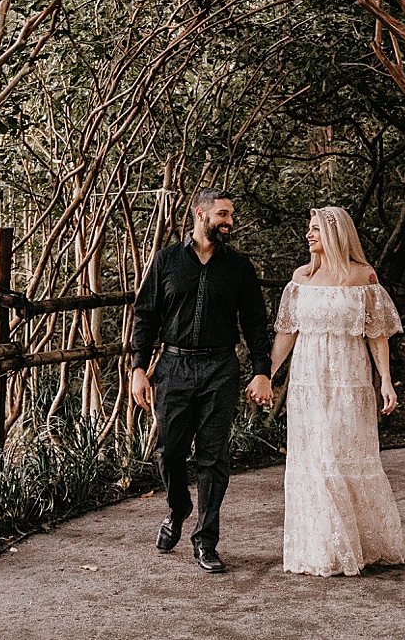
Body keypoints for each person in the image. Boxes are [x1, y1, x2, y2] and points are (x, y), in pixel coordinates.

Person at [130, 188, 274, 573]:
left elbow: (256, 323)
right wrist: (139, 368)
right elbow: (146, 316)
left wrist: (262, 370)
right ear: (200, 214)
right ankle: (178, 508)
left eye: (231, 215)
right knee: (168, 451)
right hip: (174, 368)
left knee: (214, 457)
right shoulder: (167, 261)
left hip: (220, 369)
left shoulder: (240, 267)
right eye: (223, 214)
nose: (229, 222)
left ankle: (205, 540)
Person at [267, 205, 405, 576]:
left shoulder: (363, 277)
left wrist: (386, 381)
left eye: (315, 229)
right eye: (308, 228)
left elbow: (377, 335)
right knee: (316, 458)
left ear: (335, 234)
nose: (308, 235)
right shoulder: (300, 278)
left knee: (344, 453)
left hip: (350, 379)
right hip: (308, 381)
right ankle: (322, 548)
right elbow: (287, 332)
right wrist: (267, 373)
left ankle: (357, 544)